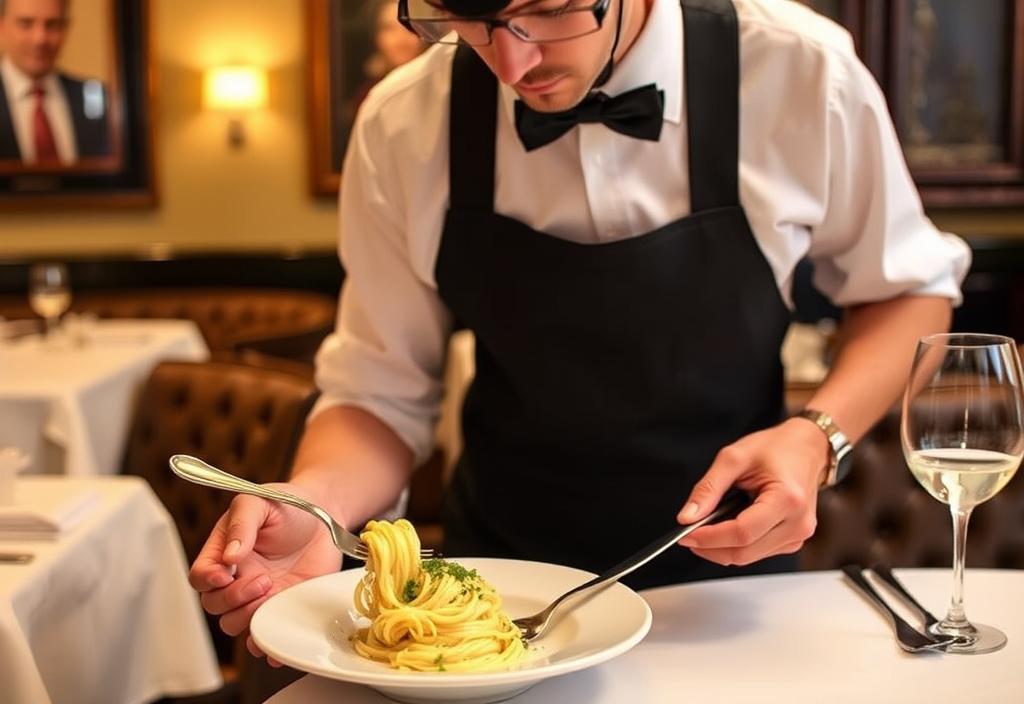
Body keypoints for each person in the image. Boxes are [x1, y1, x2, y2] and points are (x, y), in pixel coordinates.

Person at [190, 0, 970, 662]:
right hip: (499, 600)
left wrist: (817, 435)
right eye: (467, 19)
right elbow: (378, 390)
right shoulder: (404, 123)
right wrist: (317, 502)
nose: (511, 63)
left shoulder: (799, 71)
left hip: (728, 593)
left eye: (549, 9)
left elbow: (909, 295)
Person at [0, 0, 111, 165]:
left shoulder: (97, 98)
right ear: (2, 25)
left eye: (52, 24)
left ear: (67, 27)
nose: (40, 39)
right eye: (26, 23)